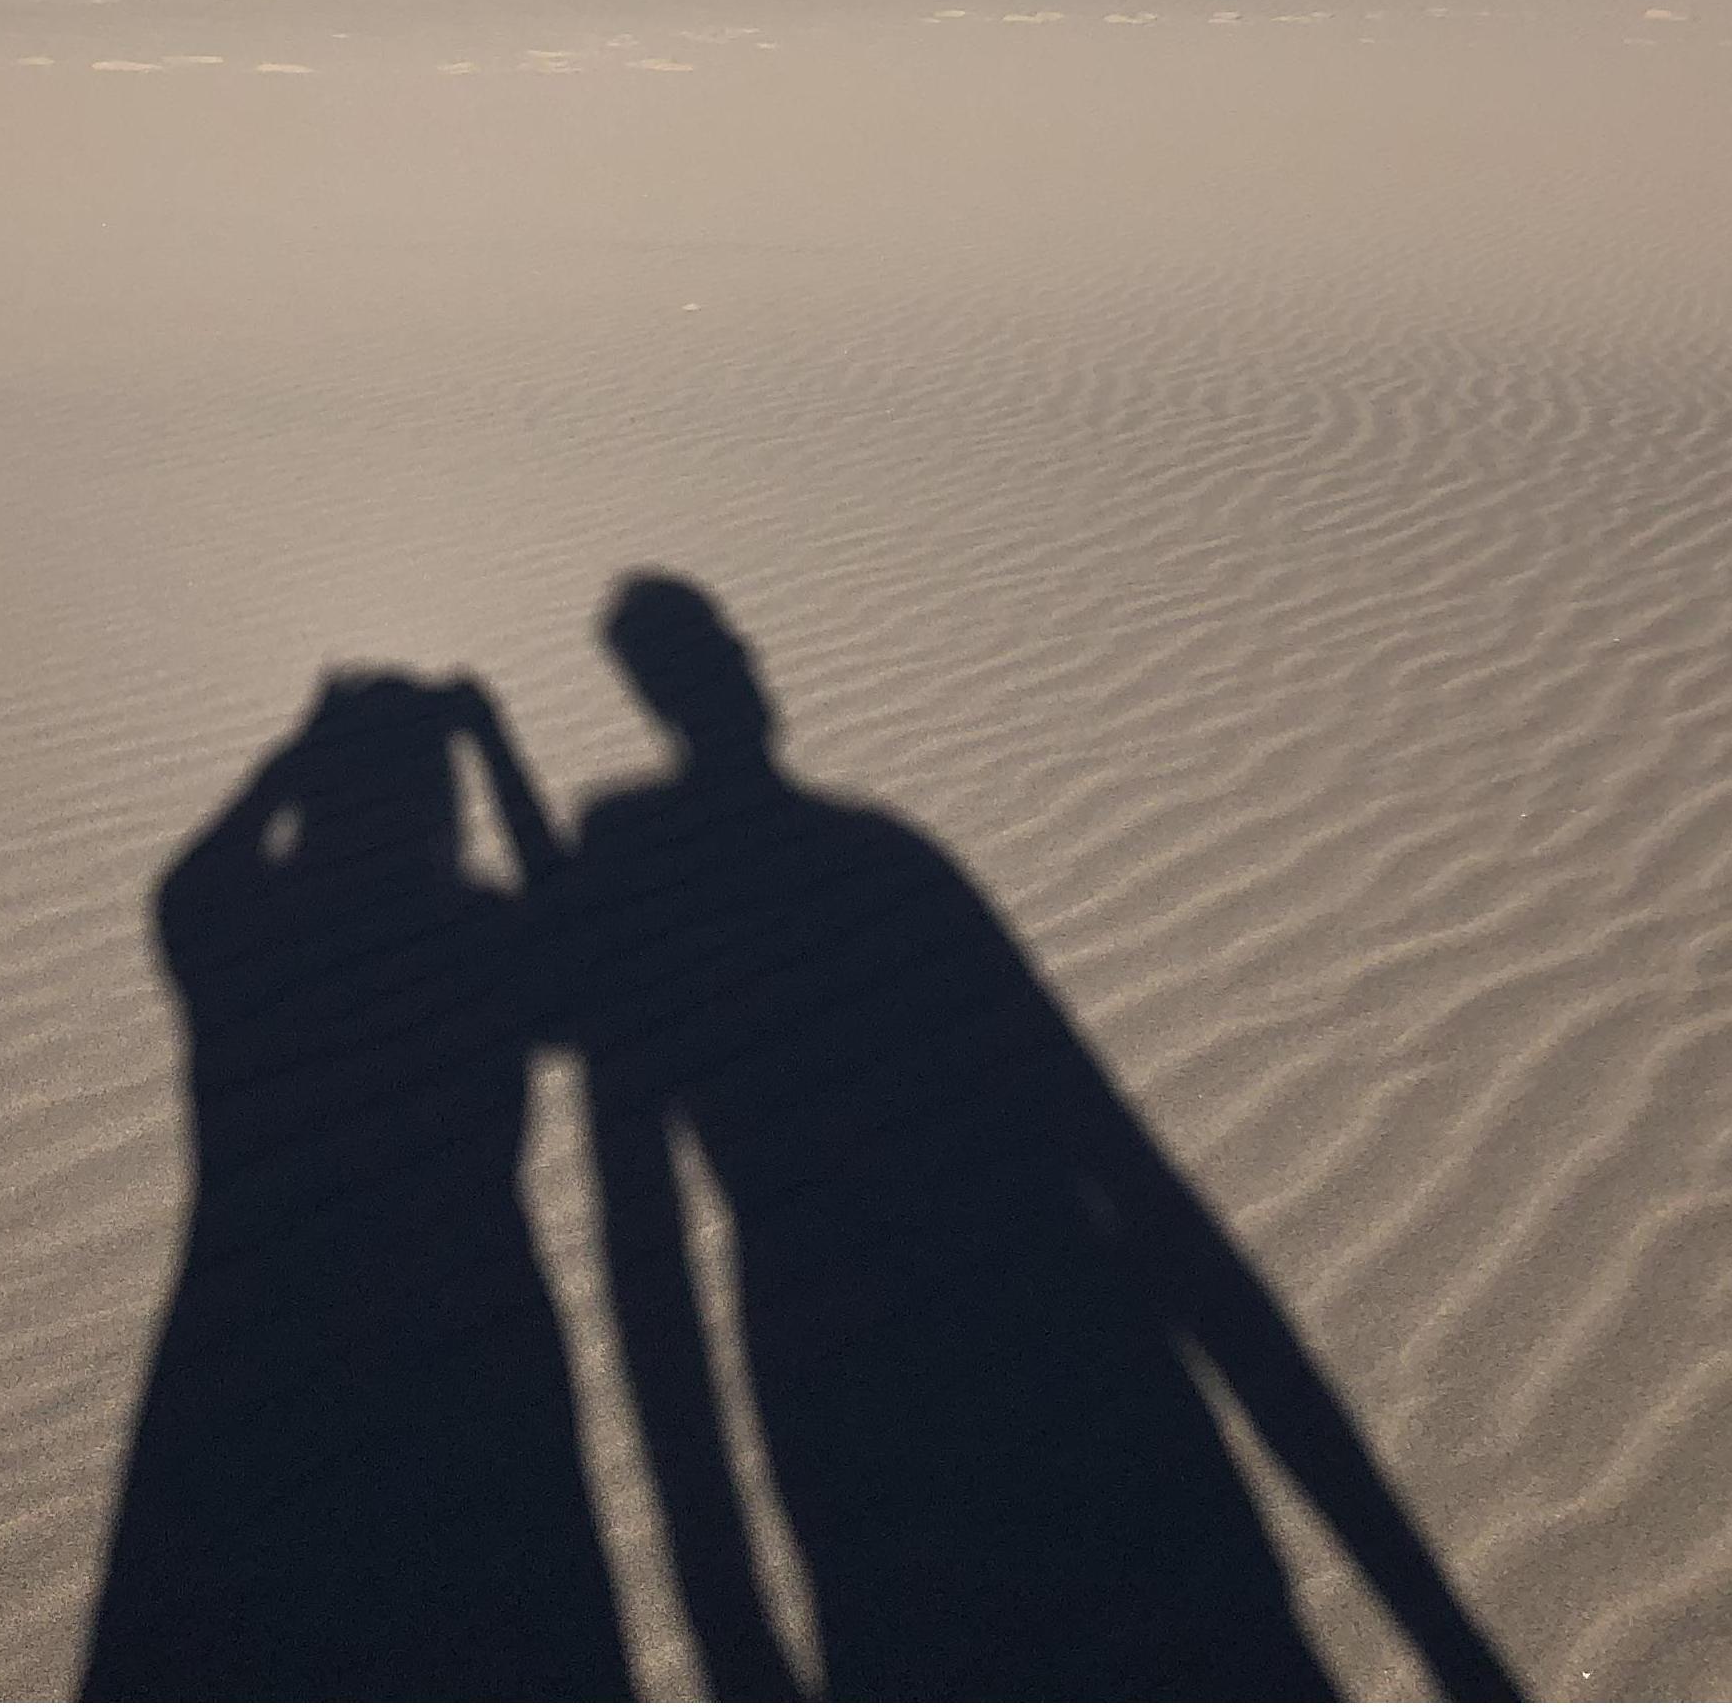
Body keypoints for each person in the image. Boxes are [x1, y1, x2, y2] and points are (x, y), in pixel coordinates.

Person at [563, 574, 1518, 1703]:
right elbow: (1144, 1197)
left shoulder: (663, 891)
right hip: (1027, 1416)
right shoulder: (870, 871)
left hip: (914, 1434)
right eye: (714, 649)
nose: (744, 663)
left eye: (731, 640)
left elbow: (652, 1287)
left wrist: (733, 1639)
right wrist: (1441, 1631)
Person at [81, 670, 626, 1700]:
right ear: (437, 801)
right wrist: (498, 751)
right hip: (469, 1359)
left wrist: (296, 750)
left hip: (248, 1361)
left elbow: (184, 884)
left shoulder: (241, 932)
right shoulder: (473, 940)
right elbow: (588, 961)